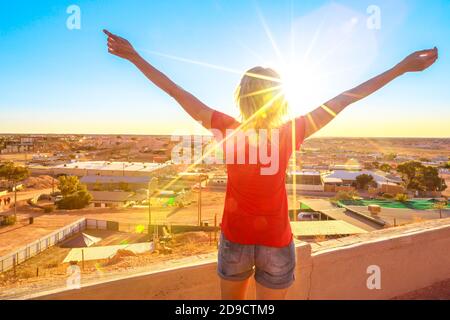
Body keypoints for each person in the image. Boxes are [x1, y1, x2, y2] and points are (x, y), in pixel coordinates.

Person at [103, 29, 438, 300]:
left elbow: (176, 91)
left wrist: (135, 57)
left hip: (235, 239)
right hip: (276, 241)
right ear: (280, 99)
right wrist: (401, 67)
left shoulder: (226, 127)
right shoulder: (292, 131)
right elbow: (347, 97)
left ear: (242, 97)